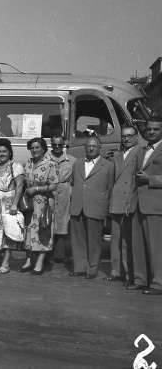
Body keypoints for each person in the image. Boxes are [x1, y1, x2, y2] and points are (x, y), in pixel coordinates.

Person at [69, 137, 113, 279]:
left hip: (96, 206)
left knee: (94, 241)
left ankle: (92, 269)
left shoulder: (108, 165)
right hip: (77, 206)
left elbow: (110, 188)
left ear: (100, 148)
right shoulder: (77, 163)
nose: (91, 148)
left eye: (94, 146)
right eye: (89, 146)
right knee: (78, 240)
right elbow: (74, 183)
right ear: (85, 148)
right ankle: (79, 267)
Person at [0, 138, 25, 273]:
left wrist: (14, 204)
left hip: (8, 203)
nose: (2, 154)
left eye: (4, 151)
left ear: (10, 152)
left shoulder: (15, 166)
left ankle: (6, 263)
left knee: (7, 233)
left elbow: (19, 185)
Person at [132, 117, 162, 295]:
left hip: (155, 205)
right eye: (149, 129)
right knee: (140, 245)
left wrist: (149, 179)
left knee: (156, 247)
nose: (151, 132)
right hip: (139, 203)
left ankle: (158, 283)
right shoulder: (142, 150)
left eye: (156, 129)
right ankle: (141, 280)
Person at [19, 137, 58, 275]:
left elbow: (53, 185)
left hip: (43, 202)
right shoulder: (27, 163)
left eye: (37, 147)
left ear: (43, 149)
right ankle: (29, 261)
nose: (34, 150)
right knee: (28, 230)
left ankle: (39, 263)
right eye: (32, 148)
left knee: (42, 231)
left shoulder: (50, 164)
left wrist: (36, 189)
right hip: (28, 203)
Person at [106, 126, 138, 283]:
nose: (126, 139)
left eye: (130, 136)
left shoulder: (139, 153)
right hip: (116, 201)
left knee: (127, 241)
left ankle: (129, 273)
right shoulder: (117, 155)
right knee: (115, 240)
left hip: (127, 202)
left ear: (136, 137)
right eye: (124, 136)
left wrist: (130, 201)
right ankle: (116, 271)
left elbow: (134, 181)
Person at [45, 135, 76, 264]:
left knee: (62, 222)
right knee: (48, 221)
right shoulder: (45, 158)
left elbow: (75, 179)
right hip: (49, 191)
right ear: (51, 144)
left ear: (64, 144)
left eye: (60, 144)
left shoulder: (72, 160)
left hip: (64, 191)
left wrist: (71, 192)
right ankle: (46, 254)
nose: (57, 147)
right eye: (54, 144)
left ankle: (59, 255)